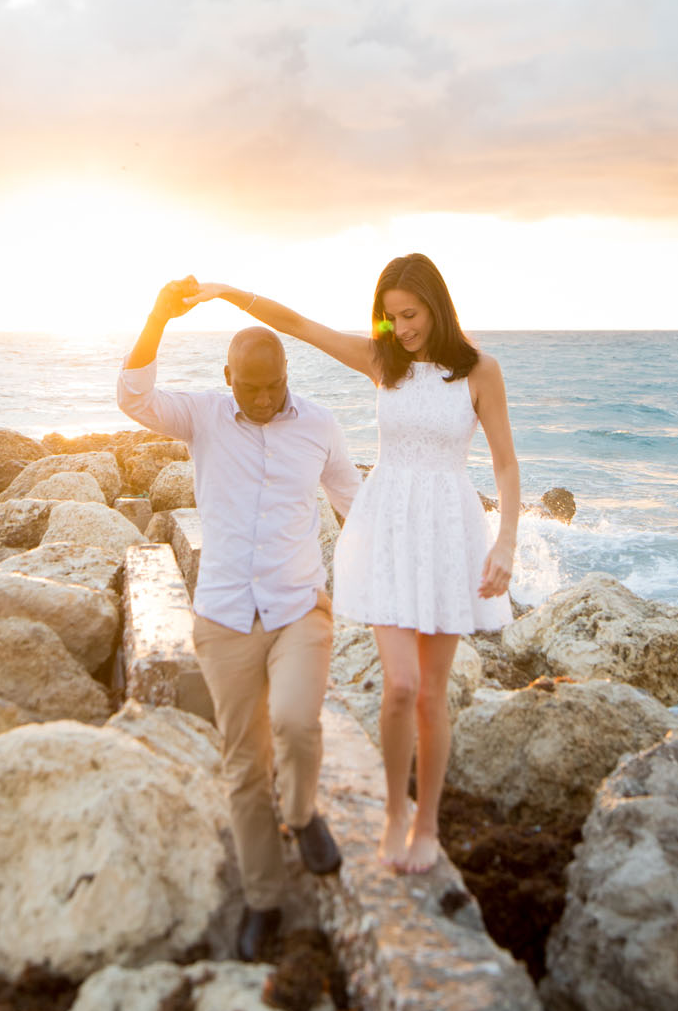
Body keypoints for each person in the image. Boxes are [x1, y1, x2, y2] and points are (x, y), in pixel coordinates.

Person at [191, 255, 519, 873]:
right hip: (388, 527)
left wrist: (506, 541)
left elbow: (504, 463)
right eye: (391, 316)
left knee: (430, 696)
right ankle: (395, 811)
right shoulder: (380, 361)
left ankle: (427, 823)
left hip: (450, 530)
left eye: (411, 315)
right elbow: (299, 325)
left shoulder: (480, 372)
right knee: (399, 687)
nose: (402, 327)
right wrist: (228, 293)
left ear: (437, 306)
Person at [116, 276, 364, 961]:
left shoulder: (318, 425)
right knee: (245, 765)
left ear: (288, 373)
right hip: (223, 617)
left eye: (274, 385)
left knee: (293, 721)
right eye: (250, 387)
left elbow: (356, 504)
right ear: (228, 378)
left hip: (298, 610)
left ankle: (305, 812)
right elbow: (133, 397)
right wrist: (158, 315)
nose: (263, 398)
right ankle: (263, 900)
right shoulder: (200, 415)